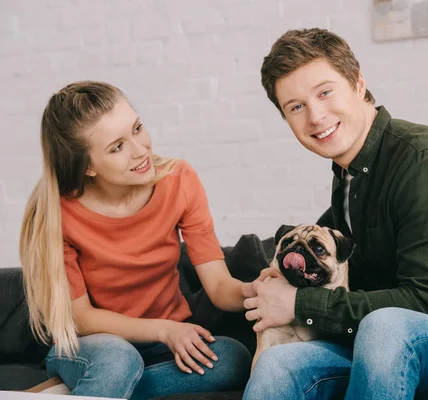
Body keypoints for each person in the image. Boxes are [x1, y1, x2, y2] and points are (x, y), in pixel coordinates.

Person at [242, 28, 428, 399]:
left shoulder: (426, 160)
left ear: (358, 85)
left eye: (324, 92)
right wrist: (276, 282)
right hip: (384, 349)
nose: (315, 115)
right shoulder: (350, 177)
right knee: (279, 363)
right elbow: (324, 258)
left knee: (384, 326)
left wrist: (299, 304)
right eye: (296, 106)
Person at [20, 81, 254, 399]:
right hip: (94, 345)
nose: (141, 149)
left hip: (164, 344)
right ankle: (101, 378)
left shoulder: (179, 180)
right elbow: (82, 318)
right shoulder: (57, 214)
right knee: (118, 360)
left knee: (233, 358)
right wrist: (164, 329)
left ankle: (77, 390)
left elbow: (219, 288)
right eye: (117, 147)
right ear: (87, 167)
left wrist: (252, 291)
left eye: (137, 128)